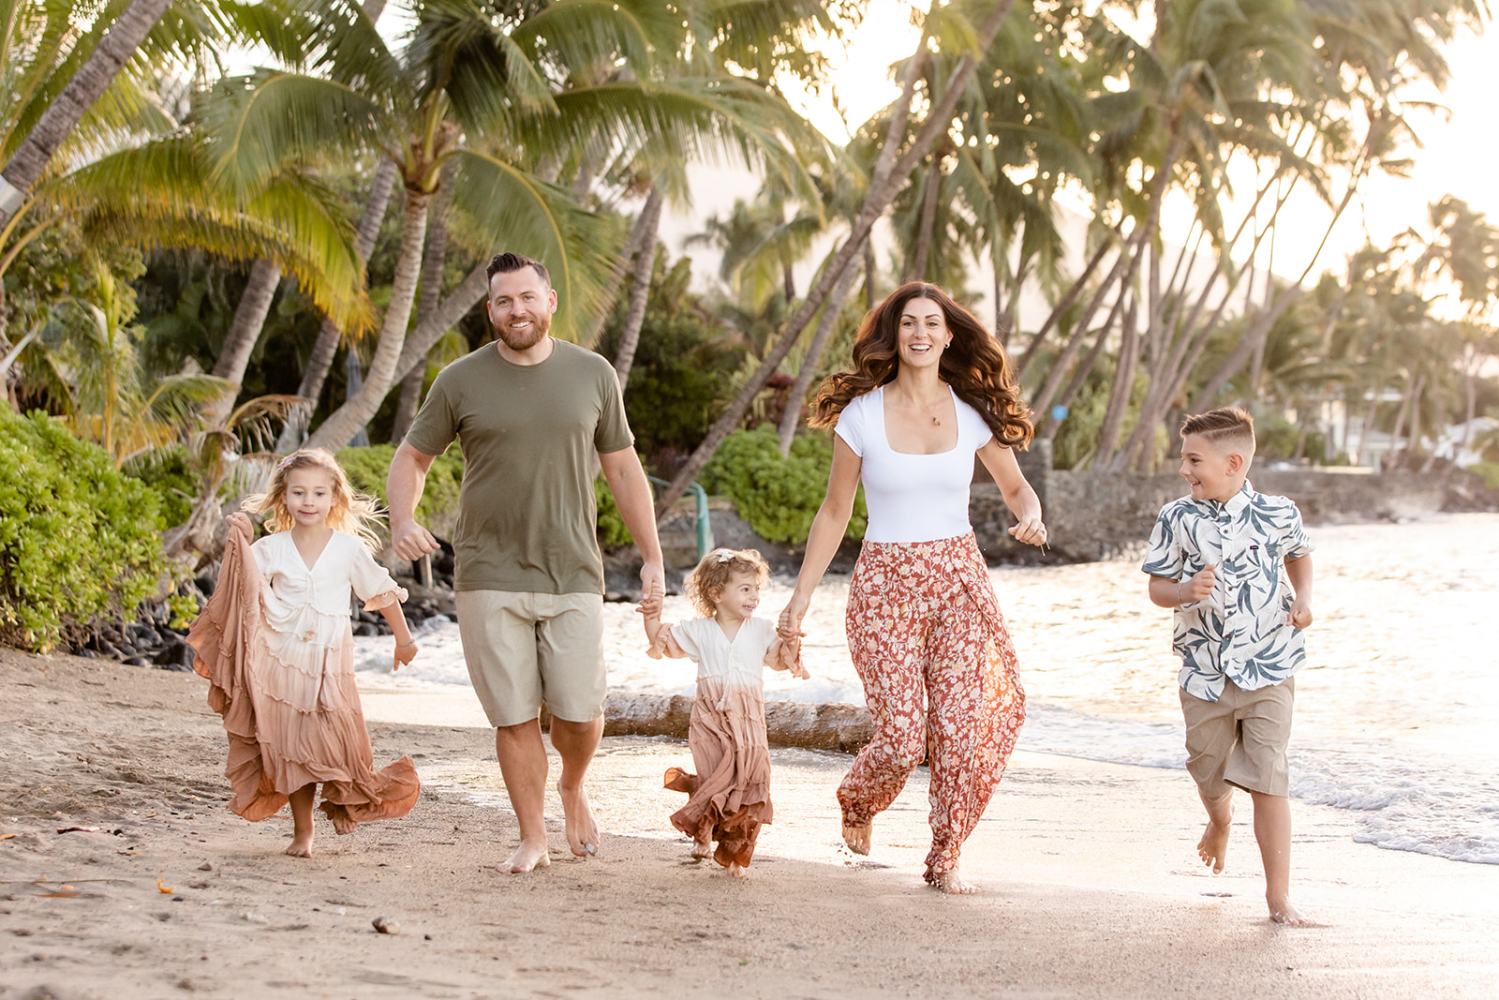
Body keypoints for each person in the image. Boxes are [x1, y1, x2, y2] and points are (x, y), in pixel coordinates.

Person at [387, 251, 665, 874]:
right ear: (491, 310)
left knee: (579, 709)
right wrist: (403, 520)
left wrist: (652, 559)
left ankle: (572, 785)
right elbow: (411, 457)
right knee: (513, 716)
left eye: (527, 298)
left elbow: (623, 468)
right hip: (487, 574)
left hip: (572, 570)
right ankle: (533, 834)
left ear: (550, 301)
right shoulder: (459, 380)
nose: (517, 311)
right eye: (504, 302)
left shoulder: (593, 375)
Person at [776, 281, 1045, 895]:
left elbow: (1015, 488)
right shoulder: (862, 416)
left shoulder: (973, 414)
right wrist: (799, 601)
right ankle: (859, 798)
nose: (920, 334)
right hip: (885, 587)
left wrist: (1031, 515)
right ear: (893, 336)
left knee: (958, 726)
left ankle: (945, 855)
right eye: (908, 324)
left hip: (958, 581)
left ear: (949, 335)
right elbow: (834, 511)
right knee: (901, 733)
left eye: (932, 323)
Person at [187, 448, 421, 858]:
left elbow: (382, 593)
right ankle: (303, 831)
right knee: (293, 749)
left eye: (317, 493)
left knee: (332, 740)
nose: (308, 502)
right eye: (298, 493)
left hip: (330, 662)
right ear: (283, 497)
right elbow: (244, 588)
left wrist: (403, 639)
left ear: (335, 498)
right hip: (283, 660)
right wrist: (240, 539)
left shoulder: (347, 549)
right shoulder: (272, 547)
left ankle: (347, 797)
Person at [1143, 406, 1315, 926]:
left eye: (1193, 459)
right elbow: (1156, 588)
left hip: (1271, 663)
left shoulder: (1279, 512)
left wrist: (1304, 597)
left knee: (1269, 777)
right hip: (1204, 671)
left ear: (1233, 462)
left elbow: (1299, 554)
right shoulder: (1177, 518)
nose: (1183, 469)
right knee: (1207, 767)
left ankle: (1278, 899)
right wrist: (1183, 591)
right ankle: (1219, 819)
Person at [636, 548, 807, 877]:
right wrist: (650, 615)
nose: (754, 596)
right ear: (716, 593)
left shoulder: (761, 629)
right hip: (711, 721)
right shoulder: (699, 631)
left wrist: (792, 636)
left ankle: (735, 854)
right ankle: (703, 828)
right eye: (745, 589)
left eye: (757, 589)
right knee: (717, 778)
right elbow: (662, 640)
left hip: (750, 724)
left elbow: (781, 660)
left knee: (753, 782)